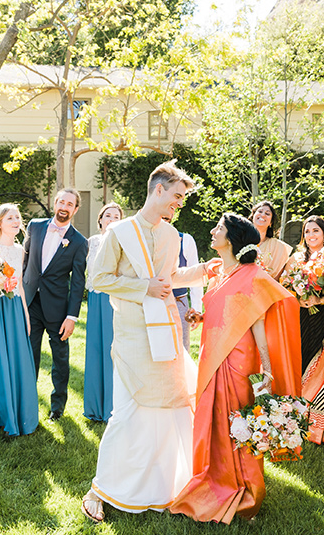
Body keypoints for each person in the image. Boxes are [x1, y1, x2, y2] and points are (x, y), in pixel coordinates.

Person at [81, 160, 214, 523]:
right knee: (128, 413)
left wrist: (205, 271)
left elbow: (170, 277)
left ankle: (164, 487)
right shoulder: (119, 232)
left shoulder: (171, 235)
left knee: (171, 412)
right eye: (176, 195)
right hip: (133, 336)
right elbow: (99, 278)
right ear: (158, 189)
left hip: (167, 333)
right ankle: (101, 489)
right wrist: (144, 288)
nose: (179, 203)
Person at [170, 213, 300, 523]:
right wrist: (201, 317)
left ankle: (245, 491)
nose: (213, 231)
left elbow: (257, 322)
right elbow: (227, 309)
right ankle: (210, 481)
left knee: (236, 427)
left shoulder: (252, 275)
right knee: (211, 422)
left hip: (237, 362)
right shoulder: (220, 271)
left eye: (219, 228)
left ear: (231, 239)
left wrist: (266, 368)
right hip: (210, 356)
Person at [22, 188, 88, 421]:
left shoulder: (79, 242)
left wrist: (72, 317)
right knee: (29, 354)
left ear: (75, 209)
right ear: (54, 203)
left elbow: (78, 282)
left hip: (58, 310)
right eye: (61, 201)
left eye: (69, 204)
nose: (64, 206)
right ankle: (26, 404)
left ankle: (57, 408)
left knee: (60, 359)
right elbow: (24, 260)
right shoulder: (35, 226)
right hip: (29, 303)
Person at [0, 204, 38, 439]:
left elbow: (20, 284)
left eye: (17, 217)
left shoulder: (20, 250)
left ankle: (16, 415)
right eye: (10, 217)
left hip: (13, 308)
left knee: (15, 361)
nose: (15, 221)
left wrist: (26, 314)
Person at [283, 215, 324, 444]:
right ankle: (297, 422)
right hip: (300, 317)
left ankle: (320, 428)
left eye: (315, 231)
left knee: (323, 367)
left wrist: (317, 301)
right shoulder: (296, 259)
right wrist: (298, 298)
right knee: (300, 363)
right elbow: (285, 286)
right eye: (307, 232)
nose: (310, 236)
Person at [84, 202, 124, 422]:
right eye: (107, 215)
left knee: (112, 351)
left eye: (116, 216)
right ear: (100, 219)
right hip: (95, 299)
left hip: (114, 300)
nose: (111, 219)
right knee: (95, 350)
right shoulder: (92, 242)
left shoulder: (124, 242)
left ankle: (112, 406)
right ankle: (93, 406)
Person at [172, 228, 204, 353]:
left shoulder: (185, 240)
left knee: (182, 346)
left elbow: (195, 276)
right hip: (153, 302)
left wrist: (196, 309)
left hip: (179, 301)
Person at [250, 200, 292, 280]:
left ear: (271, 223)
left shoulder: (279, 247)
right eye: (260, 211)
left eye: (267, 213)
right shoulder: (239, 240)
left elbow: (277, 279)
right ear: (253, 216)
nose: (263, 215)